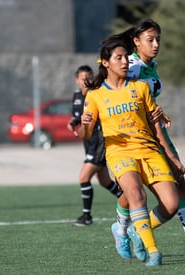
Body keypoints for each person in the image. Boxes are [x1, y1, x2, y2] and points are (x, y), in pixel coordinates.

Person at [102, 18, 185, 260]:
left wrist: (157, 111)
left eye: (158, 39)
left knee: (178, 180)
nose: (156, 44)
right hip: (132, 137)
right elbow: (119, 92)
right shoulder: (131, 65)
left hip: (156, 131)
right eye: (150, 40)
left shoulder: (152, 64)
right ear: (136, 42)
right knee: (135, 188)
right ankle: (122, 229)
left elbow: (144, 99)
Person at [80, 39, 183, 267]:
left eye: (126, 57)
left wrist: (172, 156)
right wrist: (85, 123)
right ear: (105, 63)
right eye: (119, 57)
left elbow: (155, 124)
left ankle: (128, 229)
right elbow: (85, 134)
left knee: (172, 204)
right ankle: (153, 250)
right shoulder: (96, 95)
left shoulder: (141, 87)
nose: (125, 61)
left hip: (148, 150)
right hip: (119, 153)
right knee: (137, 194)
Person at [67, 65, 122, 226]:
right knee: (105, 181)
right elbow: (78, 116)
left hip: (99, 142)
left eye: (89, 77)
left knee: (84, 178)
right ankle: (132, 202)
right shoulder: (77, 96)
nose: (86, 81)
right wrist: (73, 122)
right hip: (89, 143)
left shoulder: (96, 94)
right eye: (83, 78)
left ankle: (87, 216)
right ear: (77, 80)